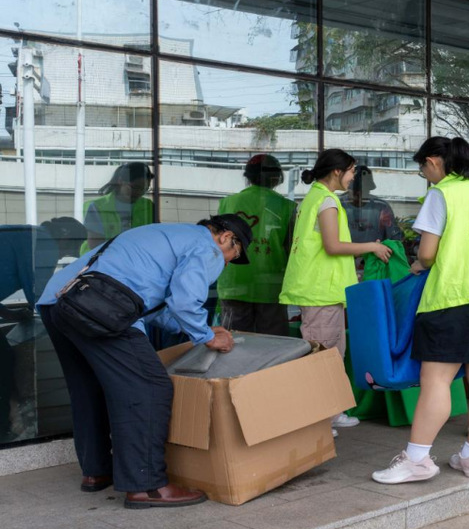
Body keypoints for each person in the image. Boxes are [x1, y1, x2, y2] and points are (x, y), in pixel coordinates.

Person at [36, 215, 252, 509]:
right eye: (232, 256)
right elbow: (185, 302)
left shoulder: (167, 235)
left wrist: (199, 329)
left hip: (60, 301)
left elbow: (156, 307)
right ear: (226, 237)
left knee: (89, 387)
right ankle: (147, 485)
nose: (226, 264)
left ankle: (97, 471)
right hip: (100, 306)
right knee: (150, 387)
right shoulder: (207, 247)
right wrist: (207, 336)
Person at [371, 136, 469, 484]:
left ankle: (417, 460)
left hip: (455, 294)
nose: (425, 175)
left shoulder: (443, 193)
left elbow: (426, 254)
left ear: (434, 161)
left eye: (423, 168)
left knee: (436, 380)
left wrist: (420, 264)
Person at [279, 149, 392, 433]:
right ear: (337, 172)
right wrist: (372, 246)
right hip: (321, 291)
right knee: (323, 358)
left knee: (332, 354)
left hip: (323, 291)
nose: (354, 177)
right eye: (352, 171)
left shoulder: (315, 197)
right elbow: (333, 246)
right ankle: (319, 421)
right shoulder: (327, 201)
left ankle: (333, 411)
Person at [0, 218, 86, 447]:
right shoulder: (43, 242)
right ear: (64, 236)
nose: (63, 256)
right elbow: (41, 295)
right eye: (69, 248)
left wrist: (7, 313)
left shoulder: (25, 234)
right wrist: (69, 326)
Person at [217, 154, 296, 336]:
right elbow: (292, 248)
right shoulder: (286, 206)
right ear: (277, 177)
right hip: (270, 285)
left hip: (234, 282)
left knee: (234, 341)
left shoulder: (228, 203)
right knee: (273, 344)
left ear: (248, 176)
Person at [80, 162, 154, 254]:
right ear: (120, 181)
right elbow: (95, 243)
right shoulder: (97, 206)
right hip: (100, 258)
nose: (139, 192)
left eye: (144, 189)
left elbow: (155, 237)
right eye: (134, 187)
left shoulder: (148, 206)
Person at [340, 165, 403, 244]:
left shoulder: (380, 207)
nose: (359, 195)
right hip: (344, 251)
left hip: (375, 252)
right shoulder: (339, 205)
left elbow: (394, 236)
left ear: (369, 188)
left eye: (363, 191)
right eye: (355, 192)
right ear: (348, 188)